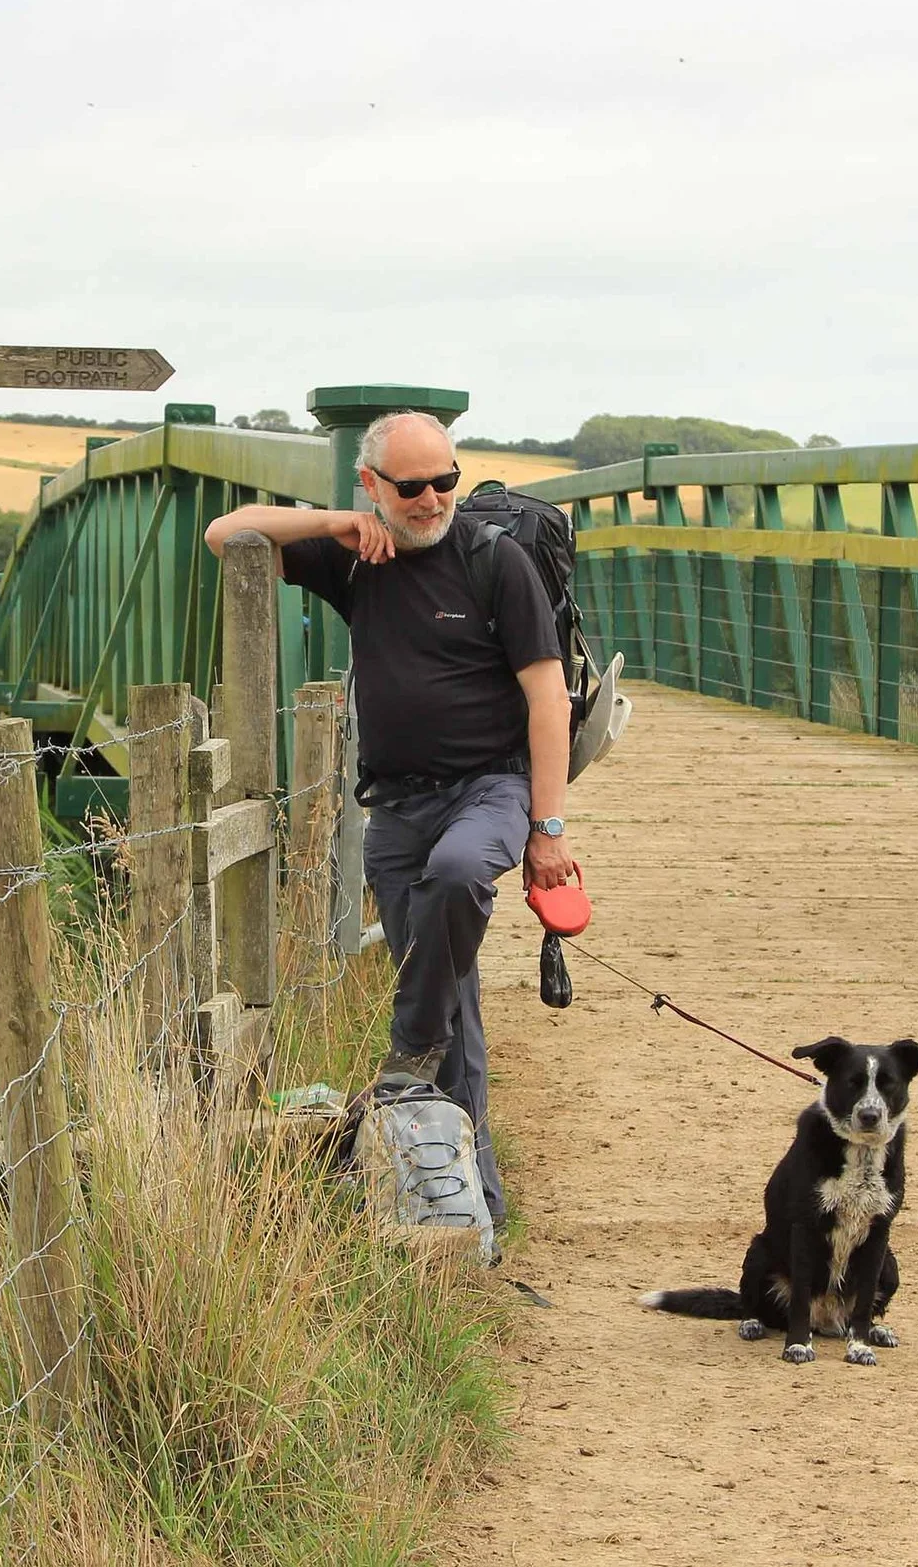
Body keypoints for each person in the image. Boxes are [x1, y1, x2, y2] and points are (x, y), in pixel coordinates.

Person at [204, 410, 576, 1226]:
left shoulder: (496, 562)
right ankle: (473, 1200)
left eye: (446, 479)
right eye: (411, 487)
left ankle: (407, 1049)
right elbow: (224, 531)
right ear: (371, 485)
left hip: (490, 789)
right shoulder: (355, 558)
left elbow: (548, 696)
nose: (434, 498)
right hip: (397, 808)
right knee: (455, 1005)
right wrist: (338, 525)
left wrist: (547, 830)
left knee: (458, 876)